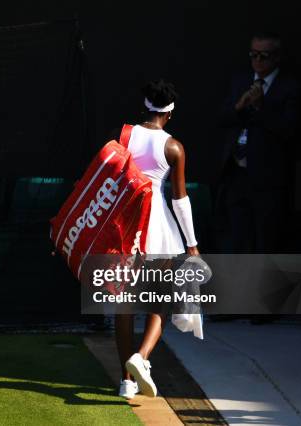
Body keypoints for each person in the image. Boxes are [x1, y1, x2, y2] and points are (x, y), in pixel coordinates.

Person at [111, 80, 200, 399]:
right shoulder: (174, 147)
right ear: (170, 113)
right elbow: (180, 200)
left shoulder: (123, 137)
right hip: (159, 229)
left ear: (146, 106)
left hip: (125, 227)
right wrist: (191, 243)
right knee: (160, 302)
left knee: (124, 306)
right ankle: (141, 357)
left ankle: (126, 381)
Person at [217, 32, 301, 253]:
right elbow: (223, 118)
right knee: (235, 239)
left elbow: (289, 131)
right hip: (236, 173)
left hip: (267, 179)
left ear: (276, 58)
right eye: (253, 55)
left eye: (263, 56)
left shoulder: (289, 87)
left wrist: (261, 107)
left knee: (265, 242)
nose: (257, 61)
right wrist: (239, 106)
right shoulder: (240, 80)